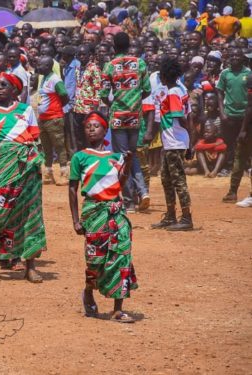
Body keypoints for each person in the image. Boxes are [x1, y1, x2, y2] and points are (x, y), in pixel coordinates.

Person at [68, 111, 137, 323]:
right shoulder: (79, 157)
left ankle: (118, 309)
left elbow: (121, 184)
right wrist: (76, 220)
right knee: (95, 259)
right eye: (88, 126)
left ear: (105, 130)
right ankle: (89, 291)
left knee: (121, 256)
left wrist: (128, 162)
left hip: (116, 211)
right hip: (93, 211)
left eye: (96, 126)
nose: (91, 129)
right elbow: (72, 188)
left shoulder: (116, 157)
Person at [0, 73, 46, 283]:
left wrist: (35, 164)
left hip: (28, 167)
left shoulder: (25, 110)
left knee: (30, 214)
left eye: (3, 85)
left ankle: (30, 265)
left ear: (15, 89)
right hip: (2, 165)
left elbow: (35, 139)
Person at [100, 32, 151, 212]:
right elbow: (147, 90)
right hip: (135, 116)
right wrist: (135, 100)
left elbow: (104, 95)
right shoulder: (140, 63)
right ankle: (143, 191)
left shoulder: (109, 66)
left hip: (118, 117)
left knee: (122, 157)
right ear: (130, 45)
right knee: (133, 154)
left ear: (114, 46)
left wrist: (115, 103)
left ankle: (129, 201)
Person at [151, 57, 194, 231]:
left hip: (175, 141)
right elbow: (189, 115)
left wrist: (188, 140)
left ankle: (186, 218)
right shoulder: (180, 89)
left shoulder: (173, 92)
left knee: (178, 180)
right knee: (166, 179)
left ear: (164, 75)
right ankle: (170, 216)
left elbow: (180, 117)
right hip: (171, 141)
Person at [217, 48, 251, 184]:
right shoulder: (225, 73)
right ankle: (229, 167)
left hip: (246, 116)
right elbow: (219, 91)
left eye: (238, 55)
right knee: (230, 144)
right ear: (229, 58)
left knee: (245, 142)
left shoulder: (248, 73)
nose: (235, 57)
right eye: (232, 55)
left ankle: (246, 167)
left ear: (243, 58)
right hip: (229, 115)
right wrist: (222, 111)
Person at [36, 55, 69, 186]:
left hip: (54, 119)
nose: (38, 67)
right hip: (43, 119)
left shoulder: (56, 80)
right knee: (46, 147)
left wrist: (57, 108)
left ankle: (64, 174)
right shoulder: (44, 78)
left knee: (59, 147)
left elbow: (64, 96)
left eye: (41, 65)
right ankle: (49, 174)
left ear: (48, 67)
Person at [223, 71, 252, 207]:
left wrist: (243, 129)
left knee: (240, 157)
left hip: (249, 127)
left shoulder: (250, 78)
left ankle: (234, 192)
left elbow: (250, 107)